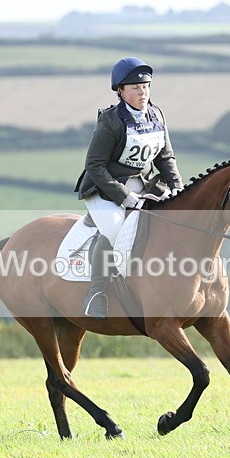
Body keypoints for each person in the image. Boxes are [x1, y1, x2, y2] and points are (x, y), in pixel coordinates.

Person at [75, 56, 184, 320]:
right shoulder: (111, 121)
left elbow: (165, 157)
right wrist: (124, 197)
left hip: (144, 184)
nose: (142, 92)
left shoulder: (156, 115)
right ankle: (96, 292)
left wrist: (178, 187)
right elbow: (94, 166)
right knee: (114, 230)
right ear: (121, 92)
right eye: (135, 87)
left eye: (146, 86)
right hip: (105, 188)